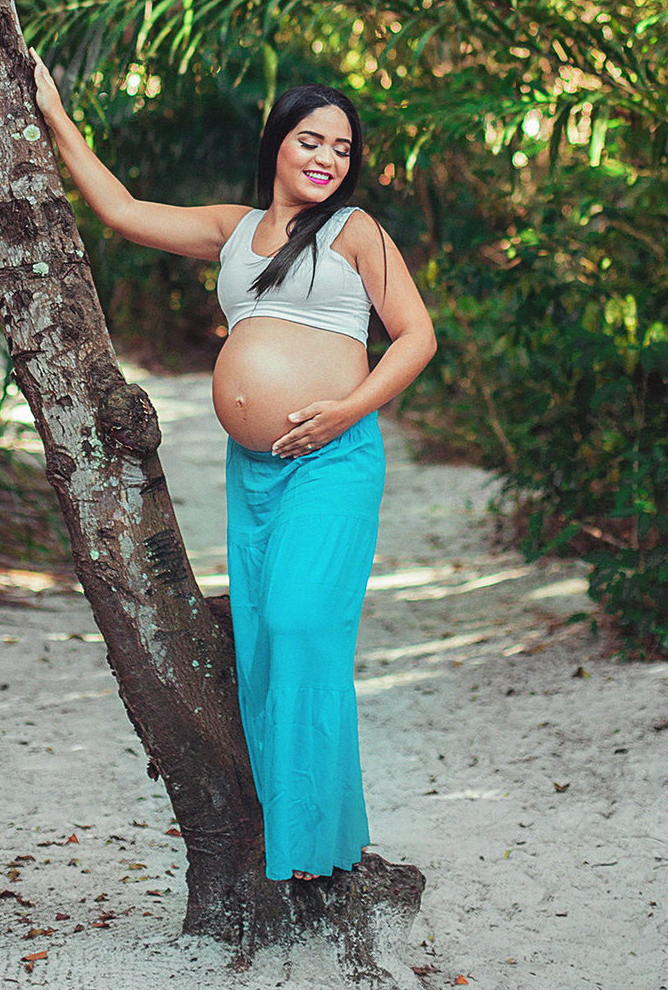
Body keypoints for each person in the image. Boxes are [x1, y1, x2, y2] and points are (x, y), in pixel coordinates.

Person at [31, 59, 436, 883]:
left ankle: (320, 844)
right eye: (311, 140)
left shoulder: (355, 231)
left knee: (300, 624)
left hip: (333, 459)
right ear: (277, 143)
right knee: (259, 640)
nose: (327, 158)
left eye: (342, 148)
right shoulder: (233, 228)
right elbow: (121, 211)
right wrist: (52, 111)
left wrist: (346, 409)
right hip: (253, 473)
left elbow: (418, 337)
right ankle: (291, 839)